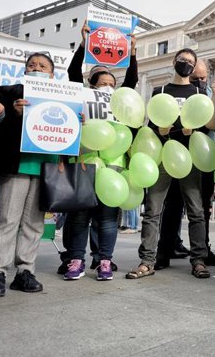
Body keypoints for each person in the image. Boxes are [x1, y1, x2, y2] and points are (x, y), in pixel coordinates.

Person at [59, 24, 138, 281]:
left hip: (113, 165)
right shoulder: (81, 97)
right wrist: (83, 44)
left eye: (111, 84)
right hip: (85, 162)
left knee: (106, 219)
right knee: (80, 218)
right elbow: (73, 73)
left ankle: (104, 261)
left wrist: (133, 54)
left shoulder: (120, 102)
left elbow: (132, 82)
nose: (107, 88)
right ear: (91, 85)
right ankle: (75, 260)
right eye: (102, 83)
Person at [127, 48, 213, 280]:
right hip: (163, 156)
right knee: (153, 210)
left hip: (189, 156)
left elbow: (206, 124)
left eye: (190, 62)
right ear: (174, 62)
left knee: (196, 211)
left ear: (194, 67)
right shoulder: (160, 91)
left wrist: (193, 129)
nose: (185, 63)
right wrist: (159, 129)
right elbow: (152, 123)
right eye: (182, 60)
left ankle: (198, 260)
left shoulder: (199, 92)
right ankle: (147, 260)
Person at [0, 53, 60, 297]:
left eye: (42, 65)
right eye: (31, 65)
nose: (36, 67)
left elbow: (66, 131)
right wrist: (11, 115)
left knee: (34, 223)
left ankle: (25, 271)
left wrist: (76, 121)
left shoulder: (61, 97)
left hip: (44, 166)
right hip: (15, 164)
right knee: (6, 220)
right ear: (25, 70)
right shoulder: (7, 92)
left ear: (52, 74)